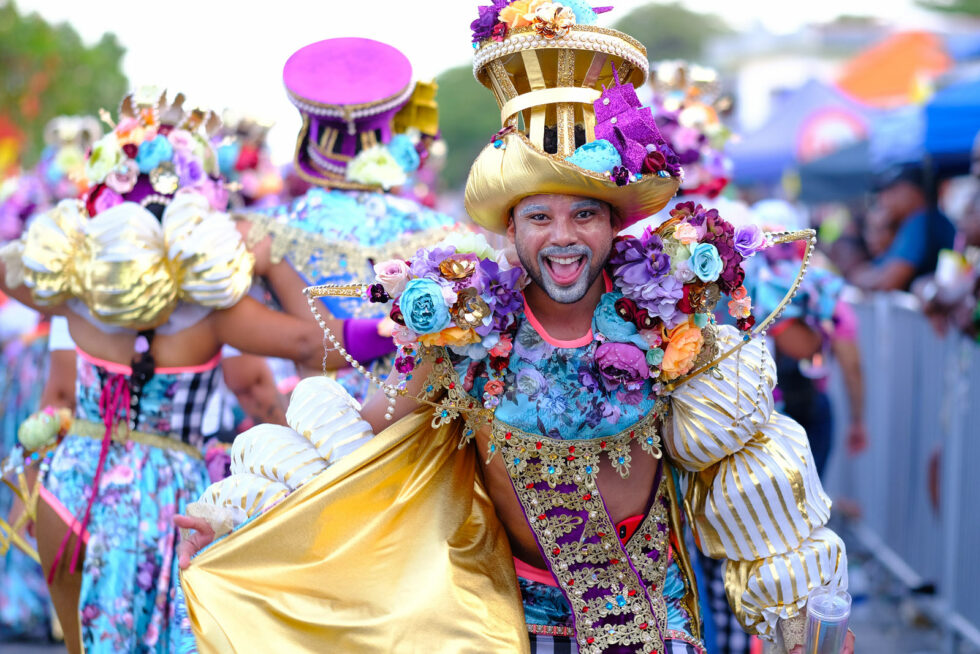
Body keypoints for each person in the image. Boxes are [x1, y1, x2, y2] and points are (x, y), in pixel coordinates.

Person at [177, 6, 854, 654]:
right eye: (540, 217)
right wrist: (237, 516)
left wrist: (805, 624)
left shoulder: (671, 322)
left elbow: (759, 476)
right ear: (510, 227)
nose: (564, 238)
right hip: (508, 629)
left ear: (615, 223)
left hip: (655, 628)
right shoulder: (467, 329)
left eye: (585, 214)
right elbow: (359, 438)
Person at [0, 89, 328, 654]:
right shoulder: (214, 310)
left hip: (73, 484)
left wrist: (77, 238)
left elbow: (12, 270)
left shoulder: (75, 294)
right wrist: (268, 261)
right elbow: (315, 345)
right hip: (169, 498)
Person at [234, 37, 460, 399]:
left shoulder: (258, 233)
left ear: (309, 132)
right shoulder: (448, 231)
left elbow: (241, 371)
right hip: (422, 434)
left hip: (322, 437)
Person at [850, 164, 954, 291]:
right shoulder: (914, 221)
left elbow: (888, 282)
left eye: (891, 191)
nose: (884, 199)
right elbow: (867, 271)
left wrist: (866, 278)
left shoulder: (921, 220)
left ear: (913, 191)